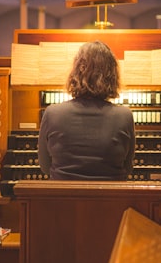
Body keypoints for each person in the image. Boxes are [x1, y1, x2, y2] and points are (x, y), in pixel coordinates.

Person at [38, 40, 135, 180]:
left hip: (63, 199)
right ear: (112, 76)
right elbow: (127, 168)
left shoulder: (52, 113)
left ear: (76, 72)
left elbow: (45, 166)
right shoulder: (124, 115)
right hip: (110, 199)